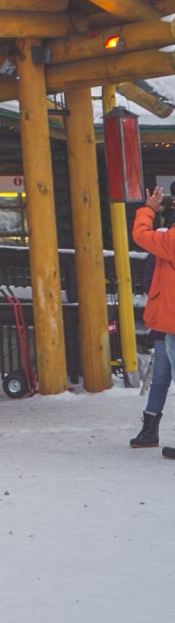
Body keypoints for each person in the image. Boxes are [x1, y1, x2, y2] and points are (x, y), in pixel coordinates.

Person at [130, 182, 175, 455]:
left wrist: (147, 210)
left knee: (161, 377)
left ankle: (149, 430)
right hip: (167, 320)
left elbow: (140, 234)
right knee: (161, 377)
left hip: (168, 319)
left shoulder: (168, 240)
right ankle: (149, 429)